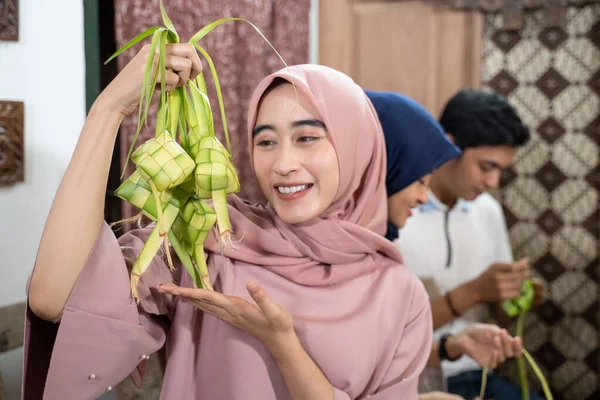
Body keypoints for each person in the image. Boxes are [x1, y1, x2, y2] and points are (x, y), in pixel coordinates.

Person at [24, 44, 432, 400]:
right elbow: (53, 298)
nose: (284, 165)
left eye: (307, 138)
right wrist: (109, 109)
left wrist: (282, 343)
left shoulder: (400, 295)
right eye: (266, 141)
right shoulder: (209, 244)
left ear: (359, 147)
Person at [367, 90, 524, 400]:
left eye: (501, 171)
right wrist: (473, 292)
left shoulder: (488, 211)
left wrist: (518, 293)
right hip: (415, 376)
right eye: (486, 167)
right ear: (449, 147)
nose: (493, 183)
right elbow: (386, 340)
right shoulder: (393, 214)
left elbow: (503, 310)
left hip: (475, 368)